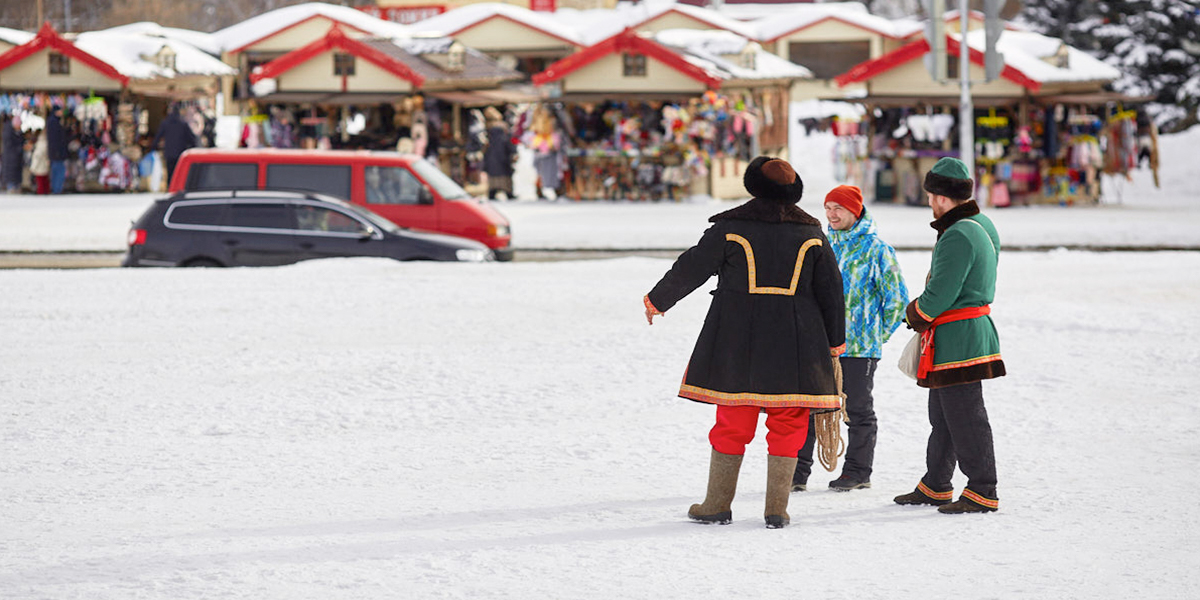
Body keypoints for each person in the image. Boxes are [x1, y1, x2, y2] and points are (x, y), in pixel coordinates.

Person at [644, 157, 846, 529]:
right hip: (798, 344)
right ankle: (776, 510)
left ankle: (716, 505)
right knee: (789, 423)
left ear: (753, 185)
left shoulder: (730, 227)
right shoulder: (812, 234)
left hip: (738, 340)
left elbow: (693, 266)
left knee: (733, 420)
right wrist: (835, 341)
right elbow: (832, 291)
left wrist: (659, 299)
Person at [893, 157, 1006, 514]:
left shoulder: (958, 233)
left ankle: (982, 488)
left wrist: (915, 314)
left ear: (942, 197)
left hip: (959, 338)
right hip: (964, 332)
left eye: (930, 195)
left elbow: (941, 292)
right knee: (943, 415)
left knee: (966, 416)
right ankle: (937, 483)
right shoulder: (981, 223)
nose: (929, 201)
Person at [792, 185, 908, 492]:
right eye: (827, 207)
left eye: (838, 208)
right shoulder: (822, 245)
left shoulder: (876, 249)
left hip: (859, 349)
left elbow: (897, 299)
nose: (831, 214)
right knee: (810, 407)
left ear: (854, 212)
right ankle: (797, 472)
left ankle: (858, 471)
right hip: (821, 345)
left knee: (857, 409)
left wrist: (874, 334)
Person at [150, 104, 198, 188]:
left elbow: (158, 136)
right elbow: (192, 138)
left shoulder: (165, 123)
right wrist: (192, 148)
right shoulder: (183, 123)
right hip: (180, 153)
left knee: (170, 173)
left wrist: (153, 148)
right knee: (179, 173)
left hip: (169, 153)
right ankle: (177, 189)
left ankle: (170, 189)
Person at [481, 106, 514, 200]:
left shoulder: (487, 128)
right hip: (502, 155)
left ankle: (493, 192)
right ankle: (508, 192)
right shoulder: (503, 127)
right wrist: (511, 152)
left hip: (492, 155)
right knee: (504, 175)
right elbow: (508, 142)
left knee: (493, 175)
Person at [45, 106, 70, 194]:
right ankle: (57, 189)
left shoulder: (53, 121)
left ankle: (56, 189)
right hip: (57, 153)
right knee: (59, 171)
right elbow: (56, 139)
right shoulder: (54, 122)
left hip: (55, 152)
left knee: (57, 170)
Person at [2, 113, 23, 193]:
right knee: (10, 175)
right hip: (11, 158)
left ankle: (15, 187)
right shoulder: (9, 131)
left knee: (14, 174)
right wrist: (20, 148)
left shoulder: (17, 131)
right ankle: (11, 187)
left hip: (16, 158)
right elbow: (10, 145)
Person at [30, 129, 50, 195]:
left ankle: (41, 193)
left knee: (40, 181)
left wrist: (33, 167)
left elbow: (37, 156)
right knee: (45, 180)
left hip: (40, 166)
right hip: (44, 165)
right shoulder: (45, 142)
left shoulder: (41, 143)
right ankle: (46, 192)